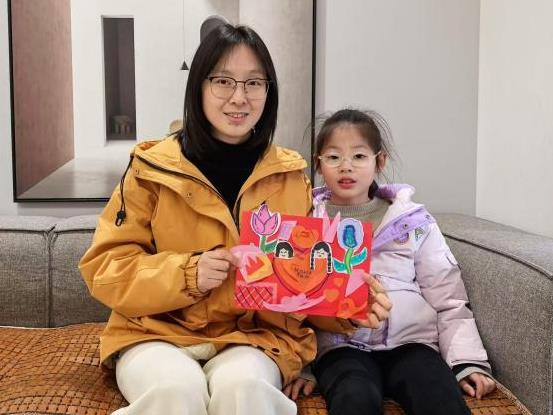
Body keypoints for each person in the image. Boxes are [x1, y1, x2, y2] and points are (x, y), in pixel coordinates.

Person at [79, 24, 389, 415]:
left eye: (254, 83)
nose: (239, 97)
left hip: (254, 339)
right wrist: (188, 274)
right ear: (199, 86)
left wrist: (349, 305)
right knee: (174, 391)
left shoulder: (291, 176)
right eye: (223, 81)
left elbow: (301, 285)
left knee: (245, 389)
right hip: (154, 333)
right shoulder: (149, 169)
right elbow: (106, 269)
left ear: (268, 92)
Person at [285, 109, 496, 414]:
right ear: (318, 164)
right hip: (340, 348)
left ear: (380, 161)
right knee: (354, 398)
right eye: (333, 157)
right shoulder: (306, 222)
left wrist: (466, 361)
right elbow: (294, 301)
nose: (346, 166)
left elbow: (448, 298)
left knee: (439, 398)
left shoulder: (414, 222)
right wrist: (300, 366)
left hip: (413, 344)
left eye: (359, 156)